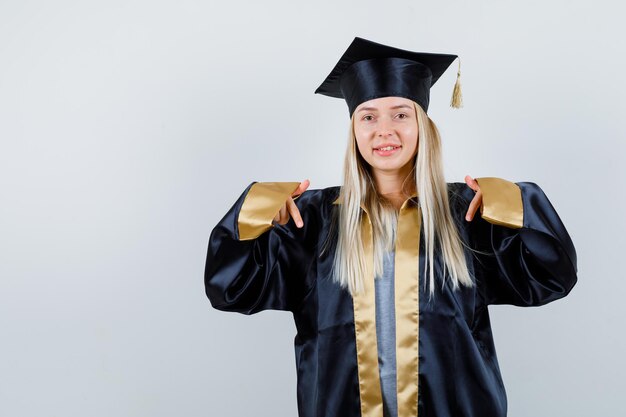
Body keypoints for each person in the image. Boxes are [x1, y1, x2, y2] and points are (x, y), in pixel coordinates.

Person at [203, 37, 578, 417]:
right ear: (353, 131)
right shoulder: (312, 219)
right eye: (368, 116)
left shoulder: (467, 215)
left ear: (423, 126)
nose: (384, 130)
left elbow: (552, 275)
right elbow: (230, 290)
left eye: (400, 114)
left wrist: (514, 201)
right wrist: (257, 208)